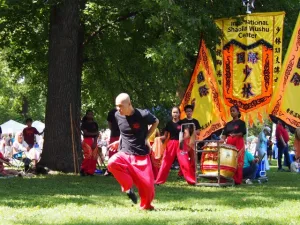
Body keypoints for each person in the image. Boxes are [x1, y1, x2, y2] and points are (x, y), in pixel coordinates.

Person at [107, 93, 159, 210]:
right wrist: (118, 142)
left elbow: (156, 121)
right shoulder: (117, 115)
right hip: (124, 152)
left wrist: (146, 137)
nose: (118, 109)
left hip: (141, 154)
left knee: (148, 188)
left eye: (121, 106)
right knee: (111, 163)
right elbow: (123, 131)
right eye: (116, 106)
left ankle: (146, 206)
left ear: (129, 104)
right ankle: (128, 187)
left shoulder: (143, 114)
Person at [155, 106, 195, 185]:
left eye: (177, 112)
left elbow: (187, 134)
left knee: (185, 162)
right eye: (174, 112)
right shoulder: (169, 123)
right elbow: (165, 136)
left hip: (181, 144)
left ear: (179, 114)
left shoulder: (183, 123)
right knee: (165, 162)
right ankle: (159, 180)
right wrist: (158, 138)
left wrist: (182, 139)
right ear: (171, 113)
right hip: (171, 144)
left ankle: (191, 181)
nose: (175, 114)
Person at [221, 105, 247, 185]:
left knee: (238, 161)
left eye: (233, 111)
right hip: (229, 142)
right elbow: (224, 135)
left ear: (238, 112)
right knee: (229, 160)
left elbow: (242, 133)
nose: (232, 112)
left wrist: (235, 135)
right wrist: (221, 141)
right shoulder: (228, 124)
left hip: (238, 142)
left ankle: (237, 180)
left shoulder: (241, 123)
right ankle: (229, 178)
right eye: (231, 111)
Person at [177, 104, 200, 178]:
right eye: (187, 111)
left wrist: (193, 132)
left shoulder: (195, 121)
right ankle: (182, 173)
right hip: (184, 142)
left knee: (193, 158)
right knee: (184, 157)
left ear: (192, 112)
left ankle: (193, 173)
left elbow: (198, 131)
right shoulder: (182, 121)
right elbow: (179, 131)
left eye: (190, 111)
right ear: (185, 112)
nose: (189, 112)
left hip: (193, 142)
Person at [80, 110, 99, 176]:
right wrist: (94, 133)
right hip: (87, 140)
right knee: (88, 155)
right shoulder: (84, 124)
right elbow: (86, 133)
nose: (90, 116)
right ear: (86, 115)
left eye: (91, 114)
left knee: (94, 156)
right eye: (89, 114)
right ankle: (83, 169)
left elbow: (97, 134)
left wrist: (95, 141)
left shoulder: (95, 124)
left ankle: (90, 171)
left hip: (94, 140)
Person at [105, 108, 121, 176]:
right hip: (114, 135)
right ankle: (110, 169)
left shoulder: (125, 110)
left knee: (121, 152)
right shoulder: (112, 112)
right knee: (112, 152)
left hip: (123, 134)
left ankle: (120, 169)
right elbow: (109, 123)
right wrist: (113, 130)